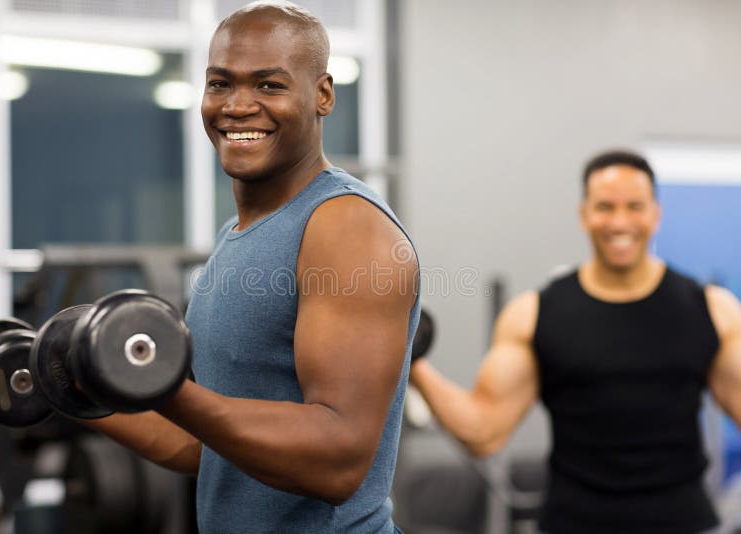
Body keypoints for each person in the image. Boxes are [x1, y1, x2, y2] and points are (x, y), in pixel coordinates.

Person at [83, 2, 420, 533]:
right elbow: (204, 444)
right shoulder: (237, 235)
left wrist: (163, 386)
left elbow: (339, 458)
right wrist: (79, 388)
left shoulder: (347, 229)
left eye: (269, 86)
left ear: (323, 95)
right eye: (220, 84)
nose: (237, 106)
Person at [410, 150, 741, 534]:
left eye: (634, 206)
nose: (620, 221)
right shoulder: (534, 315)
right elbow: (483, 433)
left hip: (685, 524)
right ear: (584, 213)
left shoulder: (712, 311)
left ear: (655, 213)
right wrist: (411, 359)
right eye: (605, 206)